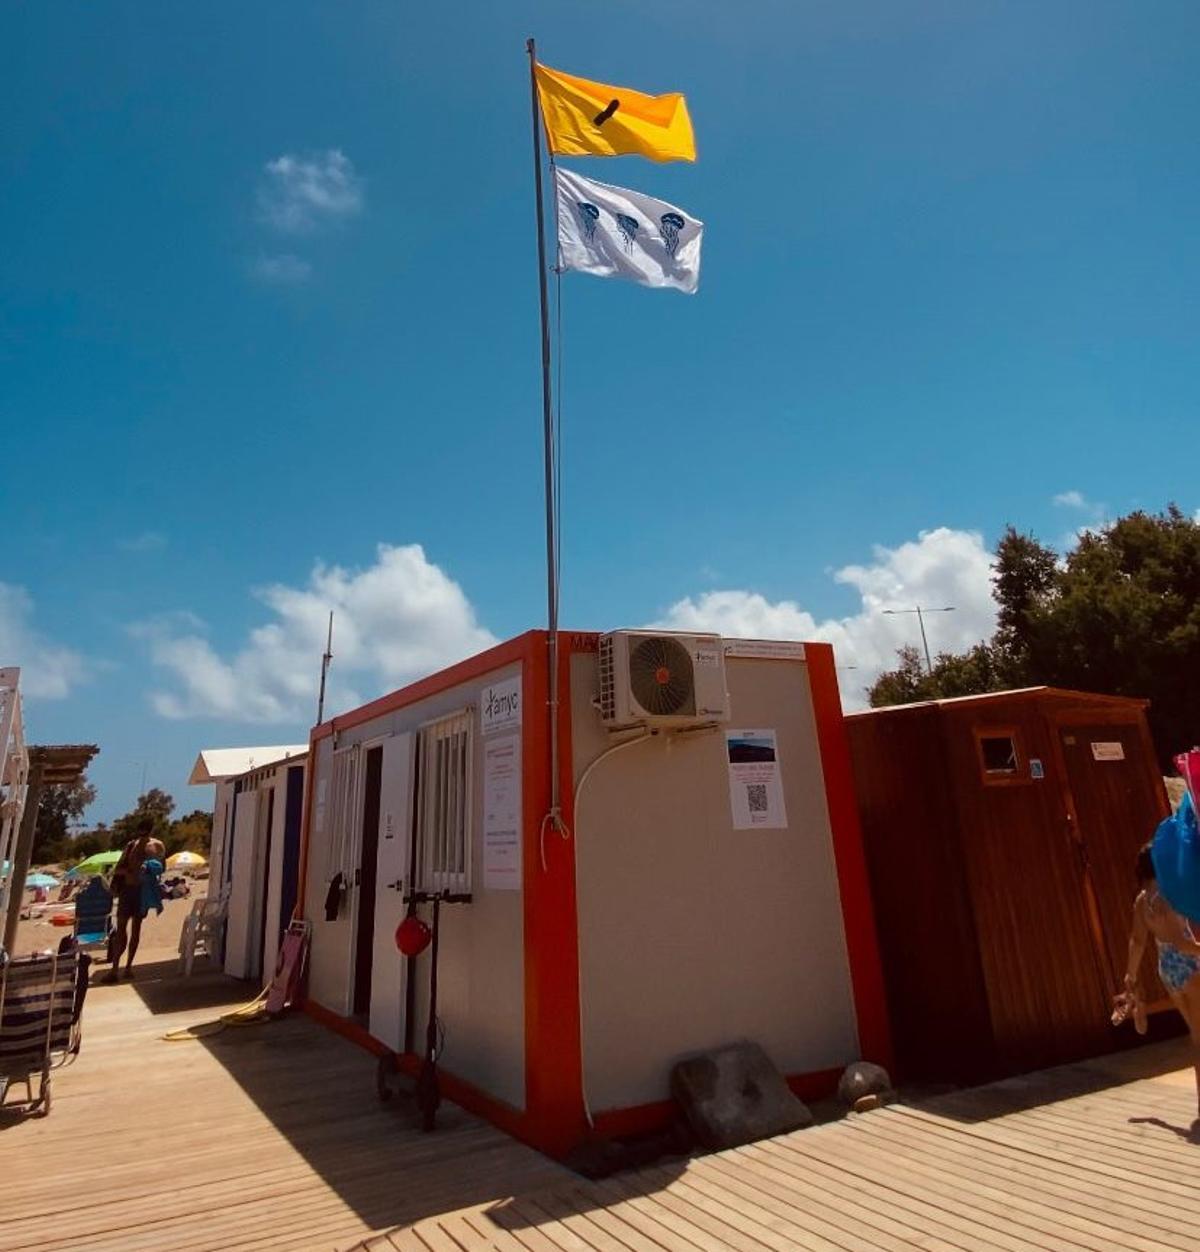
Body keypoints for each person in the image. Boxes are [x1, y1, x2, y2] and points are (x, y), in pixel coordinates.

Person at [1114, 843, 1200, 1125]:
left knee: (1195, 1032)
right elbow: (1181, 942)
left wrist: (1130, 976)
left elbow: (1137, 941)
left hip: (1167, 970)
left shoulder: (1141, 901)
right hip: (1189, 966)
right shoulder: (1168, 894)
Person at [103, 823, 166, 982]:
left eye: (145, 831)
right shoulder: (131, 845)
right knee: (121, 930)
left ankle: (128, 967)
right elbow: (118, 869)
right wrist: (130, 871)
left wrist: (150, 869)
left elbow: (162, 867)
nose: (143, 834)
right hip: (127, 890)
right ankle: (115, 968)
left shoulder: (157, 846)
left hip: (142, 892)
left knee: (136, 929)